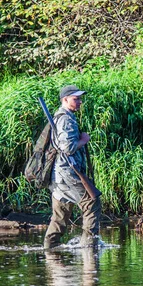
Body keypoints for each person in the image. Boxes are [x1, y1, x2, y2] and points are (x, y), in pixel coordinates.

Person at [44, 85, 102, 249]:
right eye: (76, 99)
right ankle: (89, 247)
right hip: (68, 172)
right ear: (65, 99)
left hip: (60, 174)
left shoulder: (60, 117)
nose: (79, 102)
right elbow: (68, 147)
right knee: (92, 202)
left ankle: (50, 248)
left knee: (60, 214)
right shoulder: (66, 118)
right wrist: (84, 140)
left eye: (79, 99)